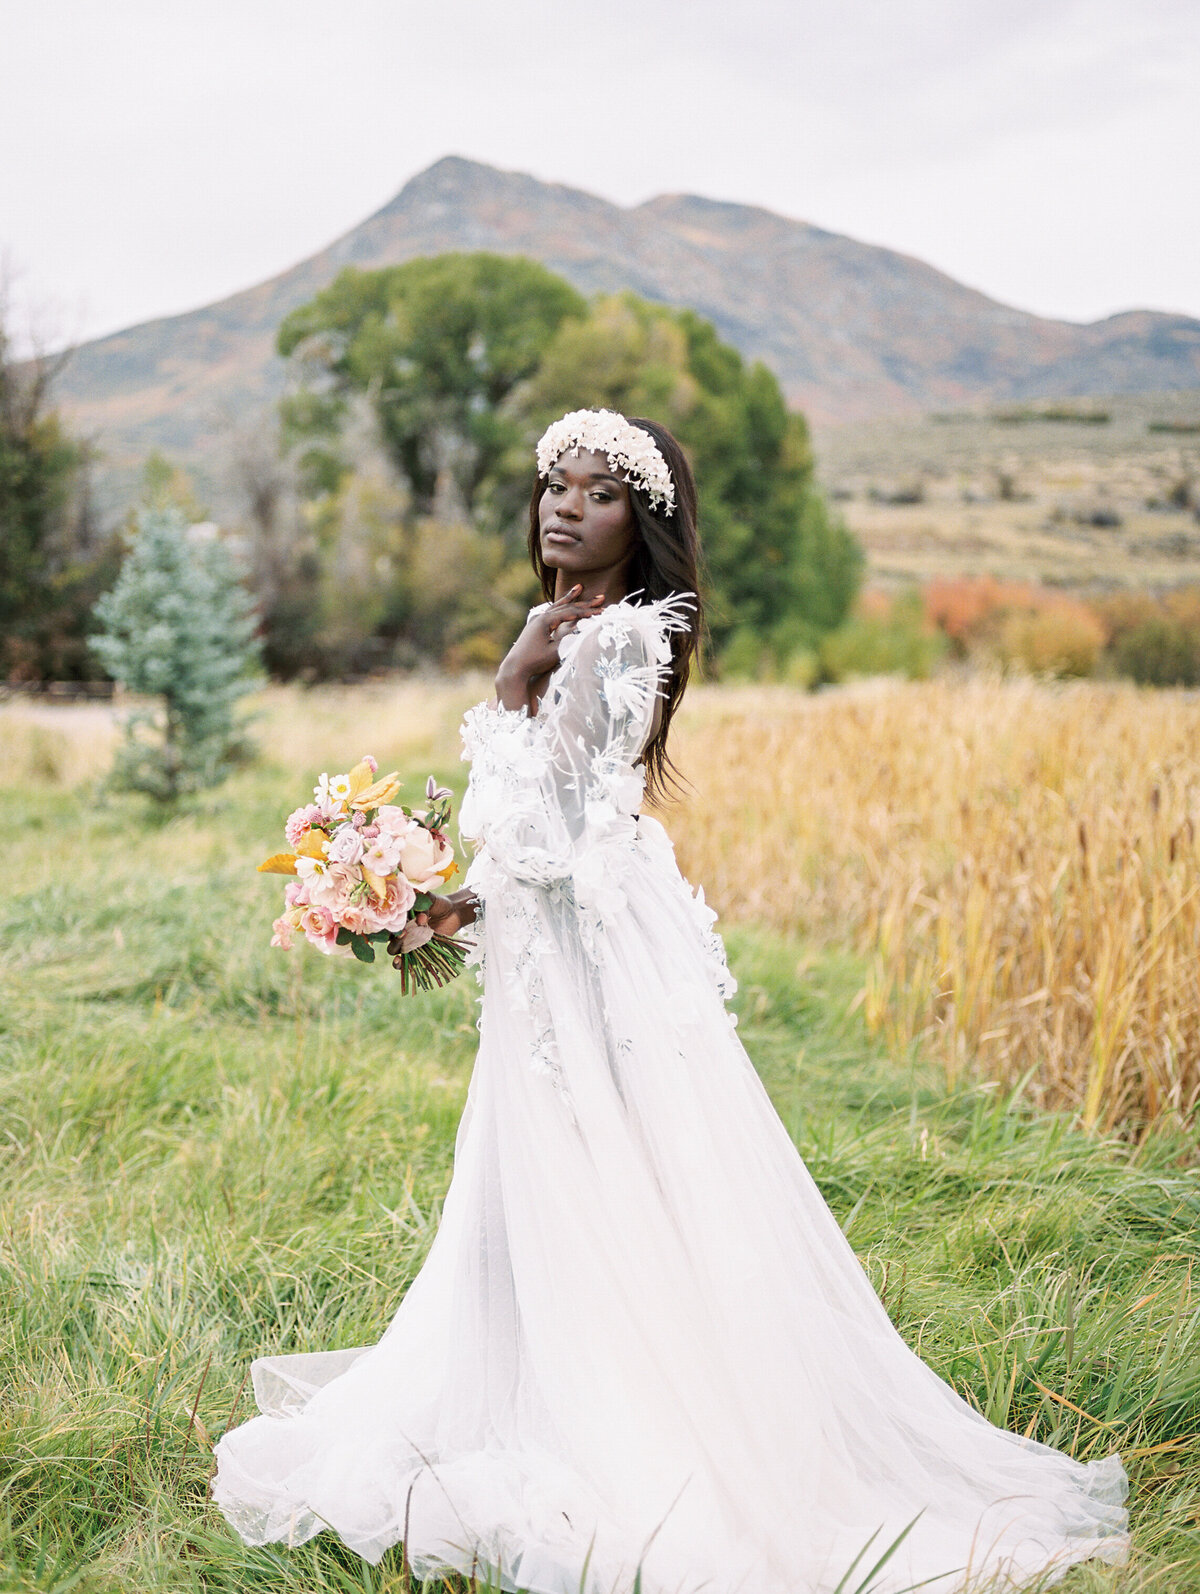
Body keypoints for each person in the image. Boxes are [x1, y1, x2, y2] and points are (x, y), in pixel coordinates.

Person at [212, 409, 1128, 1593]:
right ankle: (533, 1393)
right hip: (551, 950)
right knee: (533, 1177)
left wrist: (507, 688)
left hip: (595, 963)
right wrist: (436, 903)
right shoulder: (563, 627)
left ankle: (645, 1434)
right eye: (555, 485)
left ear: (640, 526)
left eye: (597, 494)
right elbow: (527, 843)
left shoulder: (619, 643)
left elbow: (559, 830)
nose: (564, 506)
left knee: (613, 1167)